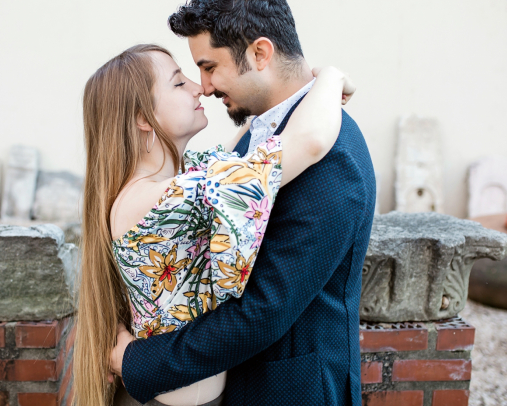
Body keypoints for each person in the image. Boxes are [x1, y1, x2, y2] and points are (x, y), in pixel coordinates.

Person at [110, 0, 377, 406]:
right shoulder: (262, 136)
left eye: (210, 67)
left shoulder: (334, 158)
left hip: (293, 392)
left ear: (260, 53)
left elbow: (262, 311)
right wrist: (328, 78)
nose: (206, 86)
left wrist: (139, 362)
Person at [73, 41, 354, 406]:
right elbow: (309, 142)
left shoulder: (177, 182)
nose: (198, 87)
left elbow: (250, 141)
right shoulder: (151, 201)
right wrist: (330, 78)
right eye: (178, 83)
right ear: (143, 117)